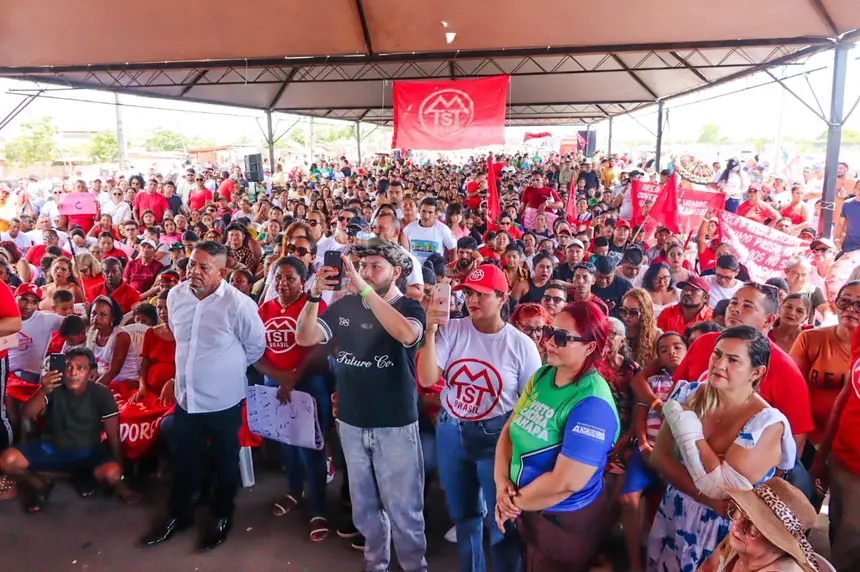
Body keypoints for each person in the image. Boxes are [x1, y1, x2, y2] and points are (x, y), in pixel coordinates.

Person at [295, 238, 428, 572]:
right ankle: (376, 563)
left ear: (396, 272)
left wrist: (364, 292)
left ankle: (415, 566)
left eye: (374, 267)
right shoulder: (346, 306)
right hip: (352, 422)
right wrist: (313, 295)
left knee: (404, 508)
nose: (365, 273)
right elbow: (305, 337)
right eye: (363, 266)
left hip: (395, 424)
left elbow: (406, 336)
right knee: (364, 507)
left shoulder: (410, 307)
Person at [141, 241, 274, 552]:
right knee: (184, 459)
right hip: (187, 398)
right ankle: (179, 515)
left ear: (221, 272)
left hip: (223, 400)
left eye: (204, 267)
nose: (194, 272)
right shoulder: (175, 296)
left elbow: (255, 347)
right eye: (191, 265)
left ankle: (221, 517)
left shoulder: (238, 305)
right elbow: (181, 338)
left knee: (226, 462)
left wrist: (224, 368)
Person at [418, 263, 541, 572]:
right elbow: (426, 376)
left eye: (482, 294)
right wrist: (430, 333)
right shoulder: (453, 329)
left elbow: (530, 405)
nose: (472, 300)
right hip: (451, 432)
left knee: (502, 521)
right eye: (468, 293)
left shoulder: (521, 346)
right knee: (465, 517)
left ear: (502, 298)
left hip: (497, 439)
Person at [647, 326, 797, 571]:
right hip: (676, 511)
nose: (719, 364)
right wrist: (702, 496)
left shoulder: (765, 424)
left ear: (756, 372)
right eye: (717, 354)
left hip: (726, 530)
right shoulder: (689, 393)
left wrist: (688, 430)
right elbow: (659, 457)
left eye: (733, 360)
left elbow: (722, 491)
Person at [494, 301, 620, 572]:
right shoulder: (543, 375)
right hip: (526, 507)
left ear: (589, 347)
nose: (549, 341)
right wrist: (500, 483)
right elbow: (510, 429)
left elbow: (566, 482)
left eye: (562, 338)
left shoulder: (592, 403)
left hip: (562, 520)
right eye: (551, 332)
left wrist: (510, 505)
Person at [0, 347, 138, 512]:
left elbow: (113, 438)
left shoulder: (102, 393)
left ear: (91, 373)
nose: (73, 373)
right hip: (51, 449)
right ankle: (40, 484)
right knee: (6, 460)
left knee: (112, 473)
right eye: (68, 367)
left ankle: (82, 477)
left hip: (87, 452)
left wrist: (120, 481)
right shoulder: (53, 387)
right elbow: (26, 414)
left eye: (80, 368)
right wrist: (43, 389)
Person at [258, 256, 332, 542]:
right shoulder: (264, 309)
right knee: (286, 444)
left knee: (310, 447)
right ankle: (293, 491)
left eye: (290, 278)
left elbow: (321, 349)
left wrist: (294, 376)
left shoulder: (314, 306)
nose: (283, 283)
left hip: (308, 383)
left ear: (304, 282)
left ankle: (319, 508)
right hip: (275, 384)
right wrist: (278, 377)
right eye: (278, 277)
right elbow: (256, 350)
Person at [621, 331, 688, 572]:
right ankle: (634, 563)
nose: (672, 351)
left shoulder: (694, 384)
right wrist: (642, 444)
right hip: (647, 448)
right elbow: (640, 415)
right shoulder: (654, 382)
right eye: (664, 349)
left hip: (677, 456)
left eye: (678, 347)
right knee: (628, 500)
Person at [790, 281, 860, 454]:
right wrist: (806, 437)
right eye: (844, 302)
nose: (850, 309)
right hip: (809, 438)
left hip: (851, 446)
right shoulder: (810, 339)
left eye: (859, 304)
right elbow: (792, 391)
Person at [707, 478, 826, 572]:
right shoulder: (734, 543)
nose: (737, 526)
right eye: (740, 511)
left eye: (751, 526)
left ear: (779, 544)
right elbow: (707, 568)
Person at [131, 290, 175, 405]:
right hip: (150, 388)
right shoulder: (151, 333)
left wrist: (174, 382)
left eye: (167, 307)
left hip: (177, 390)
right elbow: (144, 365)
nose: (163, 312)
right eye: (159, 308)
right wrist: (142, 387)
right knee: (130, 415)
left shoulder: (186, 334)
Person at [87, 295, 140, 387]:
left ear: (113, 317)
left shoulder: (121, 337)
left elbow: (113, 372)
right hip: (102, 379)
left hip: (124, 383)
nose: (96, 318)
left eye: (103, 314)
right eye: (94, 313)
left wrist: (92, 390)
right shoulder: (92, 332)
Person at [402, 197, 456, 263]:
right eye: (423, 211)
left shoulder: (443, 229)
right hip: (415, 271)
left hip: (435, 271)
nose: (426, 216)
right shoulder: (409, 228)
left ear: (435, 214)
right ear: (419, 211)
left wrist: (451, 268)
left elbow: (453, 249)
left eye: (430, 212)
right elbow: (404, 253)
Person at [620, 288, 659, 367]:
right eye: (624, 310)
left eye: (633, 312)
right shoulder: (617, 330)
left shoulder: (657, 336)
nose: (627, 316)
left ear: (645, 313)